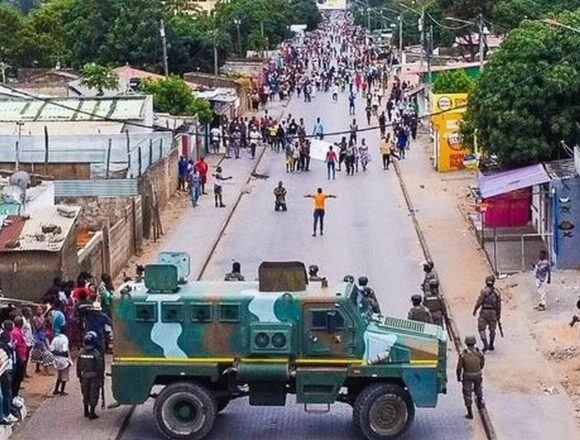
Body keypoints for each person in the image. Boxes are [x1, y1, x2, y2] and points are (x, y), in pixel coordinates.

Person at [77, 331, 104, 420]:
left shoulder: (81, 352)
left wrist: (79, 376)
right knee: (94, 394)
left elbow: (78, 366)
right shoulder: (96, 353)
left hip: (84, 376)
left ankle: (86, 411)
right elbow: (99, 367)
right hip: (94, 377)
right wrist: (101, 377)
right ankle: (92, 413)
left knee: (85, 393)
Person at [456, 335, 485, 420]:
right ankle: (480, 404)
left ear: (466, 343)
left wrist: (458, 377)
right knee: (478, 388)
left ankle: (470, 413)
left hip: (467, 375)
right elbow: (482, 363)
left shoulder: (463, 355)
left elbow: (459, 368)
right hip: (478, 374)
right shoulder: (479, 352)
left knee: (467, 393)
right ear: (474, 343)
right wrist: (479, 369)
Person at [472, 275, 501, 352]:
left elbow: (479, 302)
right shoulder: (497, 292)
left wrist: (475, 309)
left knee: (481, 328)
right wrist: (498, 315)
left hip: (484, 311)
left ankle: (485, 344)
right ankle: (491, 344)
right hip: (493, 312)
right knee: (492, 329)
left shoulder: (484, 291)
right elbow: (499, 305)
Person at [50, 328, 72, 396]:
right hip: (64, 361)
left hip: (56, 360)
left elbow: (52, 349)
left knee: (59, 376)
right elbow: (64, 351)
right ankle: (62, 391)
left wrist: (57, 353)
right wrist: (65, 354)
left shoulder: (55, 339)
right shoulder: (65, 339)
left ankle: (56, 390)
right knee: (64, 377)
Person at [10, 317, 27, 398]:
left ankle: (15, 394)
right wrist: (22, 357)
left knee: (19, 377)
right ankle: (14, 395)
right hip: (19, 357)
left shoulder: (18, 331)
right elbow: (18, 347)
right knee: (17, 377)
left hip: (20, 356)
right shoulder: (16, 333)